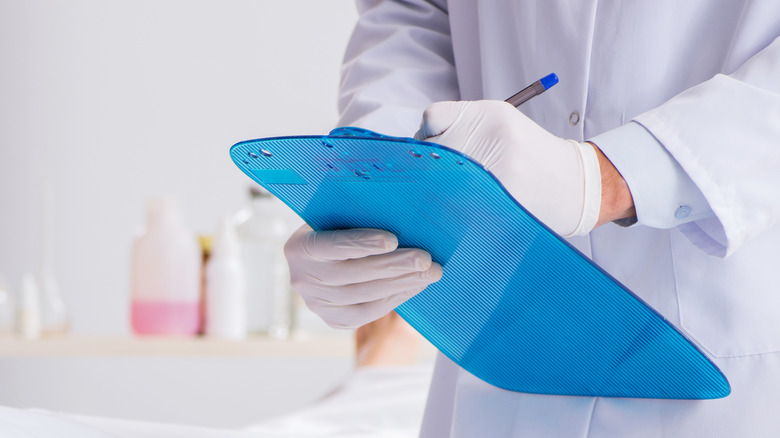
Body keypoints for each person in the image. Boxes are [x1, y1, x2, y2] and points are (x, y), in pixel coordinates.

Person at [283, 1, 780, 436]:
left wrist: (609, 177)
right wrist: (377, 178)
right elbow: (412, 12)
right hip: (496, 359)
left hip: (735, 352)